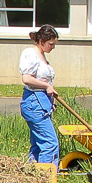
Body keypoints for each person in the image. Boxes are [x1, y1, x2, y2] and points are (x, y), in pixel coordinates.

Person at [19, 25, 64, 165]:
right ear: (42, 41)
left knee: (38, 144)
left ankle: (32, 175)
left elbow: (44, 80)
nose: (53, 47)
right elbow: (26, 78)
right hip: (34, 102)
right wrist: (47, 86)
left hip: (43, 102)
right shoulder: (30, 53)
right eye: (51, 44)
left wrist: (51, 98)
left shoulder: (42, 55)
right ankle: (47, 180)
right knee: (50, 143)